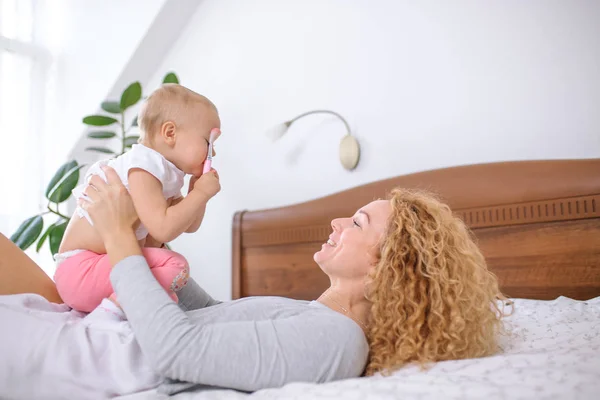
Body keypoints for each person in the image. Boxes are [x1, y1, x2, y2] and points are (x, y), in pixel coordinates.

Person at [0, 166, 507, 399]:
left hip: (81, 356)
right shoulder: (316, 320)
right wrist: (162, 236)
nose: (335, 224)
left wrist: (117, 238)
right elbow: (204, 319)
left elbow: (177, 350)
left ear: (384, 266)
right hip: (81, 329)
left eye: (355, 224)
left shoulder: (337, 339)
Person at [54, 83, 222, 319]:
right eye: (209, 142)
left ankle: (143, 305)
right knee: (174, 266)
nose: (212, 154)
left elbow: (189, 225)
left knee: (167, 267)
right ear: (170, 133)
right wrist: (199, 195)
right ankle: (115, 311)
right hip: (80, 271)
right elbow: (163, 229)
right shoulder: (143, 166)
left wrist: (198, 194)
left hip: (104, 266)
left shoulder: (166, 173)